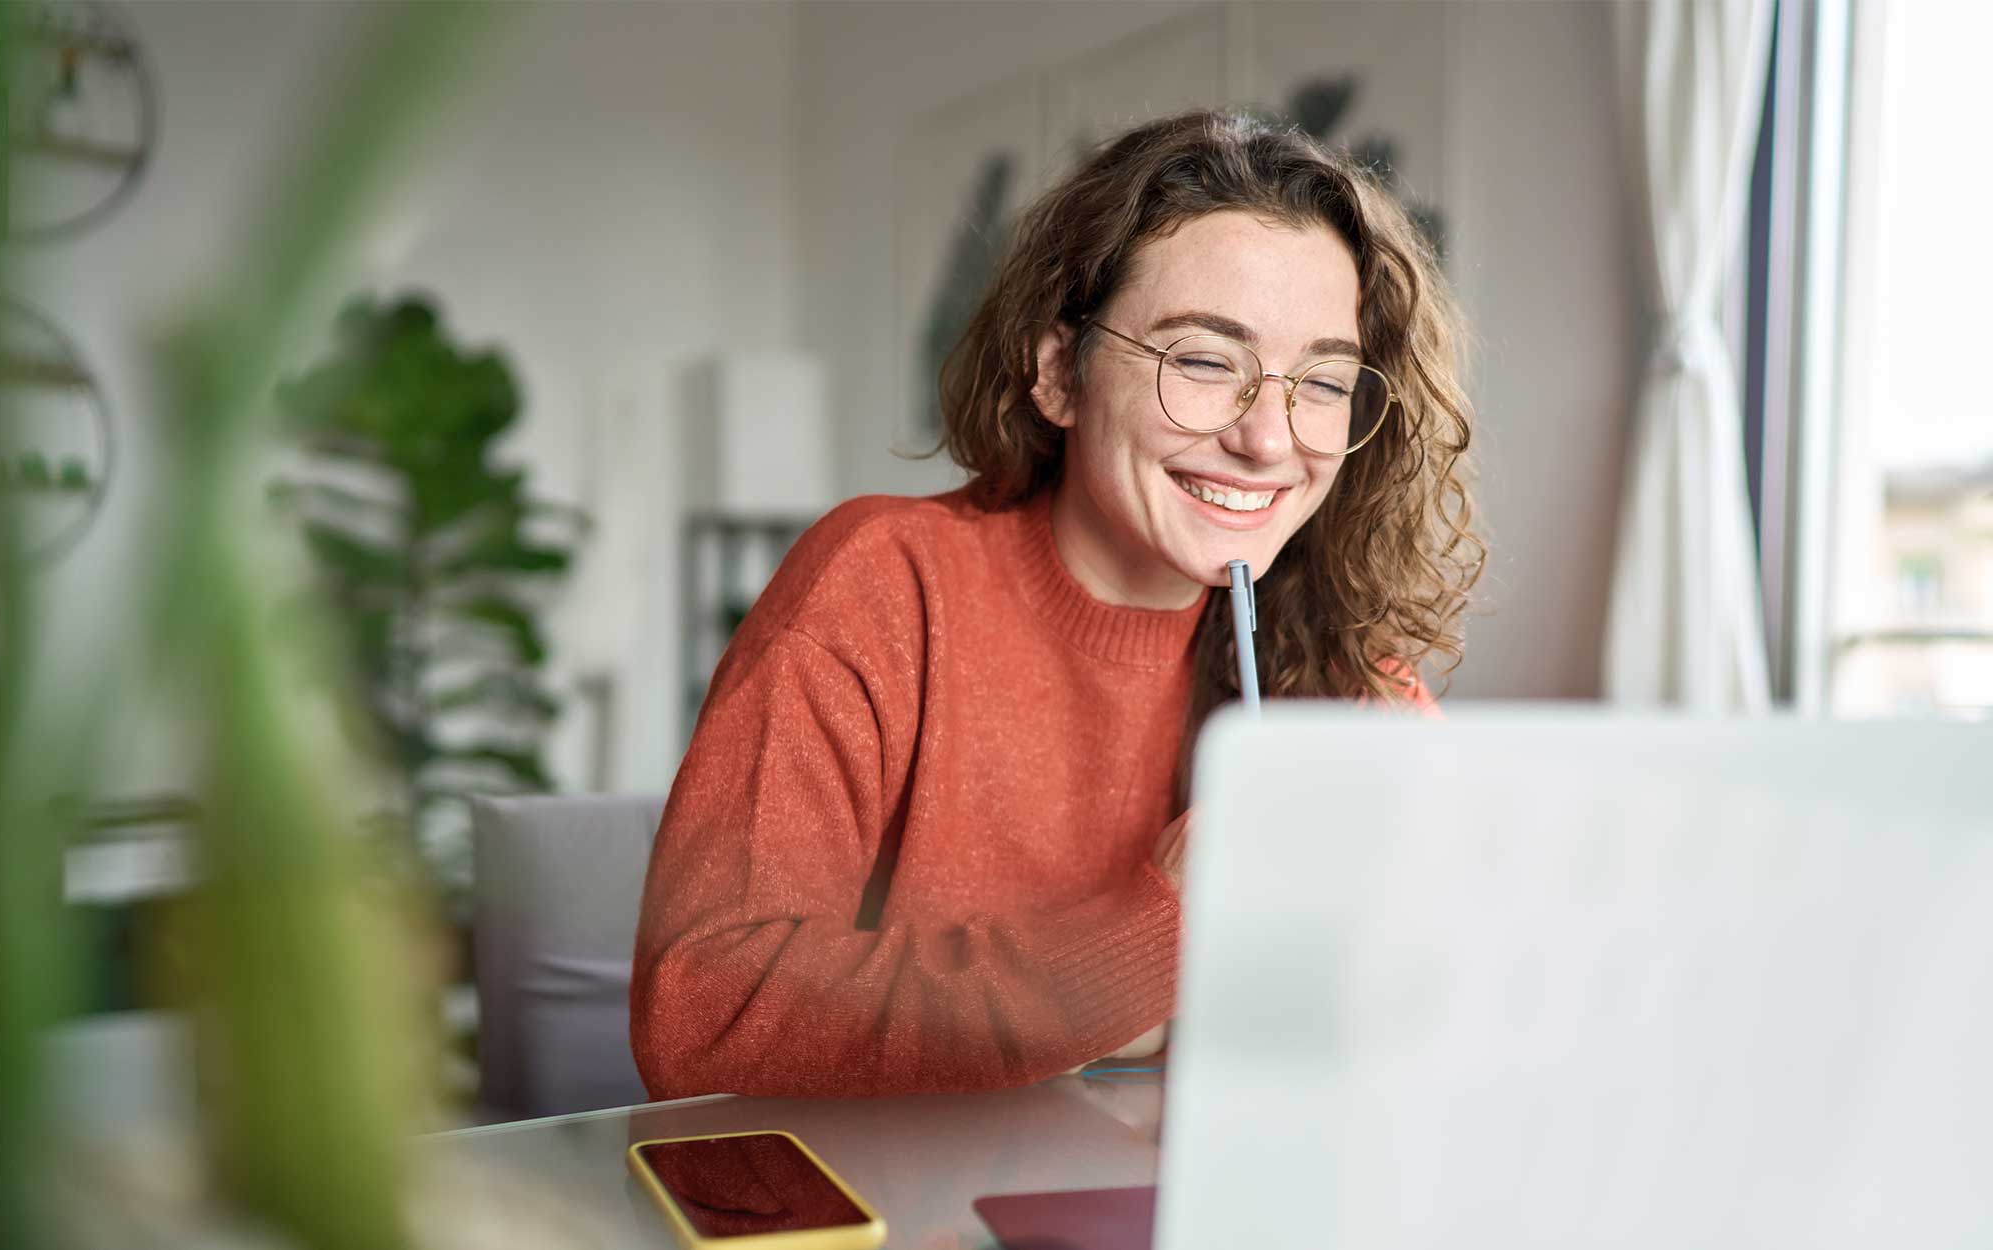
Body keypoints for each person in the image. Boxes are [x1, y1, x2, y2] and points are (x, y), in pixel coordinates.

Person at [631, 109, 1482, 1100]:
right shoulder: (881, 584)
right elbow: (702, 1013)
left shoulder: (1338, 656)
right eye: (1204, 361)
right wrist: (1155, 933)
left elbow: (1444, 1004)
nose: (1268, 440)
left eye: (1321, 382)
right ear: (1055, 372)